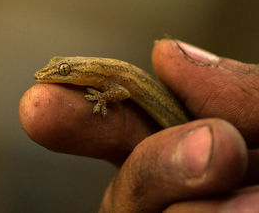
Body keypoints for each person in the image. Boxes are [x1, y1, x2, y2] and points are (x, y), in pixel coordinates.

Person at [19, 39, 259, 212]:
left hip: (180, 123)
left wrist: (102, 98)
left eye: (63, 71)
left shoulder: (107, 79)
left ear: (87, 72)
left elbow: (122, 92)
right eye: (61, 68)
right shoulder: (103, 75)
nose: (55, 73)